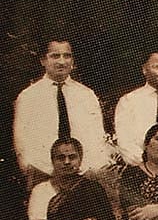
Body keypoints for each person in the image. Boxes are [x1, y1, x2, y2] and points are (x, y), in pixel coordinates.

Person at [14, 38, 109, 186]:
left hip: (83, 176)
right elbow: (23, 143)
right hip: (43, 175)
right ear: (43, 60)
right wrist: (43, 172)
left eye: (67, 55)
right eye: (55, 56)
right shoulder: (28, 97)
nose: (62, 61)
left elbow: (97, 137)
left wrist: (90, 169)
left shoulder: (86, 95)